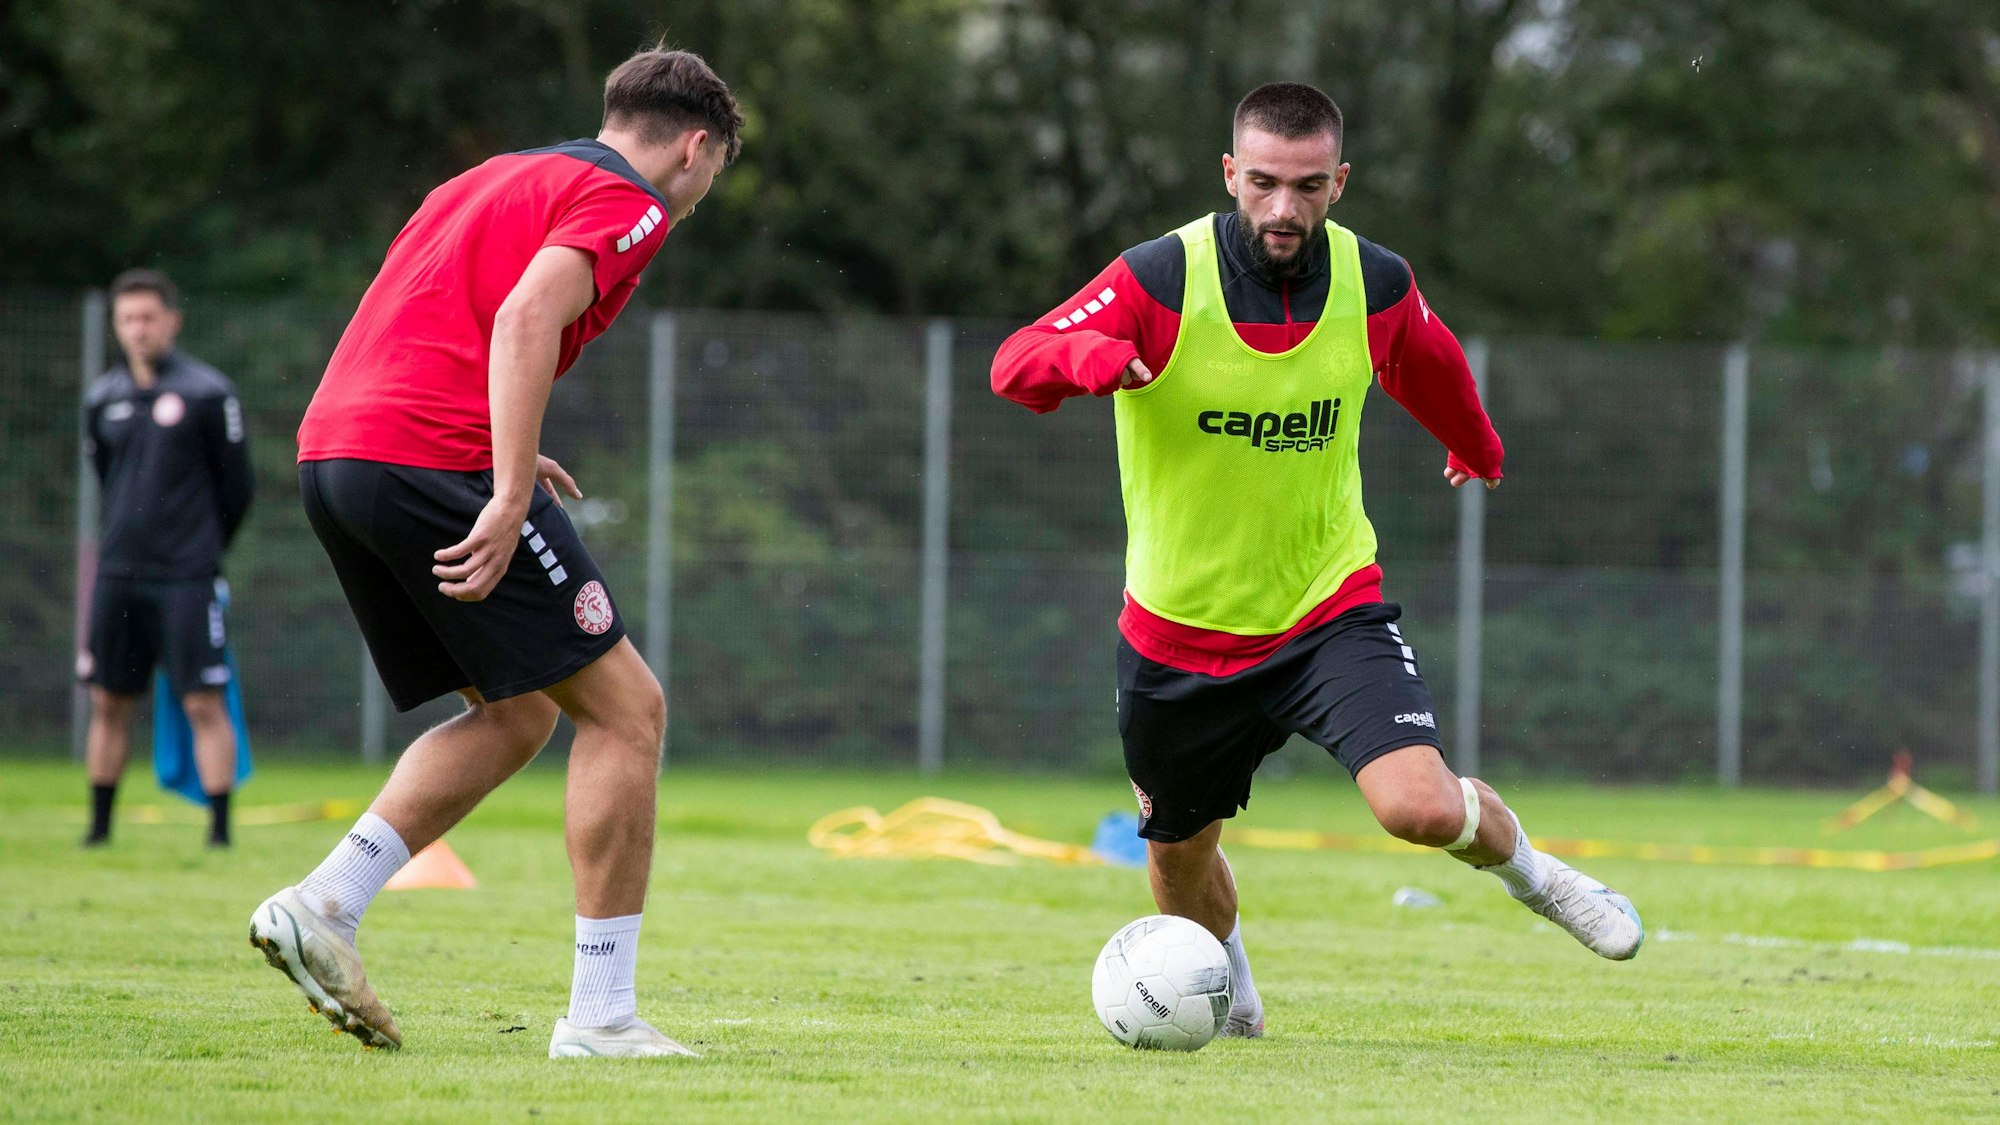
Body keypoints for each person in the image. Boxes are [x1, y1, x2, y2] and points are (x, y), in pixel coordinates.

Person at [990, 82, 1643, 1038]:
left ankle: (1539, 879)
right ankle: (1230, 985)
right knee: (1177, 860)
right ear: (1230, 175)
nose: (1283, 208)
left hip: (1325, 610)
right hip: (1176, 634)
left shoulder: (1372, 280)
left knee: (1418, 807)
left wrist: (1477, 443)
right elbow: (1016, 360)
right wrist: (1088, 358)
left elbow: (1429, 357)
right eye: (1262, 183)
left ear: (1339, 181)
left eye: (1305, 186)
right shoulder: (1159, 278)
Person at [247, 47, 742, 1059]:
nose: (698, 196)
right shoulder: (629, 201)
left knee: (516, 713)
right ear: (695, 148)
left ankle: (325, 904)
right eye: (714, 174)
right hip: (428, 457)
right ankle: (601, 1018)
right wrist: (503, 489)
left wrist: (504, 449)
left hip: (337, 454)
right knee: (627, 712)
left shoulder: (490, 176)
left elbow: (431, 317)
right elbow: (521, 319)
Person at [80, 268, 253, 849]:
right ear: (115, 326)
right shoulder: (102, 398)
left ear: (172, 322)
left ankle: (220, 833)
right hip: (118, 575)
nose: (138, 329)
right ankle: (99, 830)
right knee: (108, 698)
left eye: (149, 317)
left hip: (187, 576)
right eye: (127, 319)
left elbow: (237, 489)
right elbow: (107, 477)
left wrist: (200, 550)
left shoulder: (209, 393)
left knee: (204, 698)